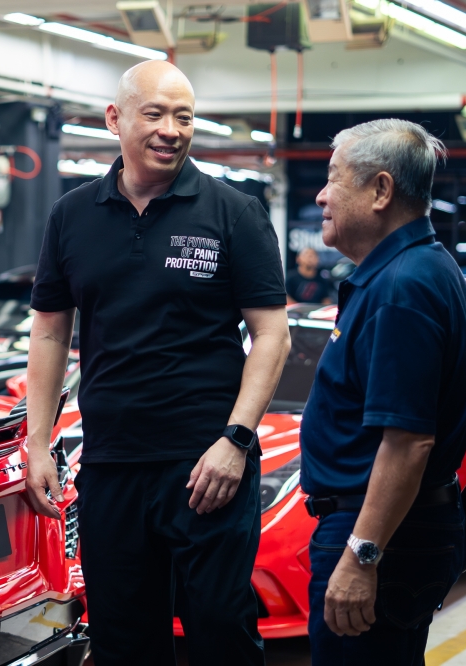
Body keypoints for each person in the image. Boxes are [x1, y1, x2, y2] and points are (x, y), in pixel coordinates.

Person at [24, 61, 291, 665]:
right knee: (123, 638)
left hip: (208, 467)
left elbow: (271, 335)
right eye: (156, 114)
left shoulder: (233, 213)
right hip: (113, 465)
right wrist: (38, 443)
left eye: (185, 116)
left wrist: (236, 439)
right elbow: (48, 334)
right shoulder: (72, 215)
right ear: (115, 119)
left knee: (220, 630)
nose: (172, 129)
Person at [299, 119, 466, 665]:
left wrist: (361, 556)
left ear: (380, 190)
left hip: (377, 534)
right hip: (395, 530)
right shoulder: (418, 268)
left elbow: (408, 443)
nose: (321, 195)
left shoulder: (402, 287)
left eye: (333, 179)